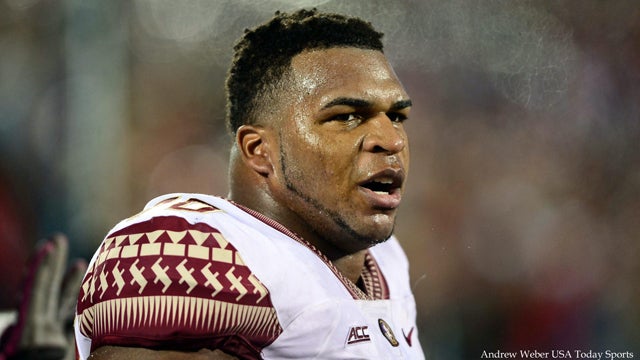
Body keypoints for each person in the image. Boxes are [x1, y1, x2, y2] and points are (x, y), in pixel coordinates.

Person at [74, 8, 424, 359]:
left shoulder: (388, 260)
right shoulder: (188, 253)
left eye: (396, 116)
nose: (391, 139)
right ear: (259, 150)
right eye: (346, 117)